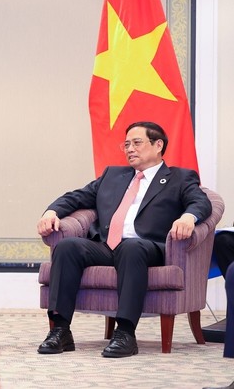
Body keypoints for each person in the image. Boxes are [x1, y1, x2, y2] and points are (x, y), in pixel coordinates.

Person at [36, 121, 212, 358]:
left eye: (137, 143)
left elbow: (201, 202)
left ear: (158, 145)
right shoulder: (113, 175)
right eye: (126, 144)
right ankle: (60, 330)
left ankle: (126, 333)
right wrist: (51, 212)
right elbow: (76, 197)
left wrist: (189, 217)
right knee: (67, 246)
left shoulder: (179, 178)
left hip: (147, 247)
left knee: (131, 247)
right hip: (107, 245)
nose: (130, 149)